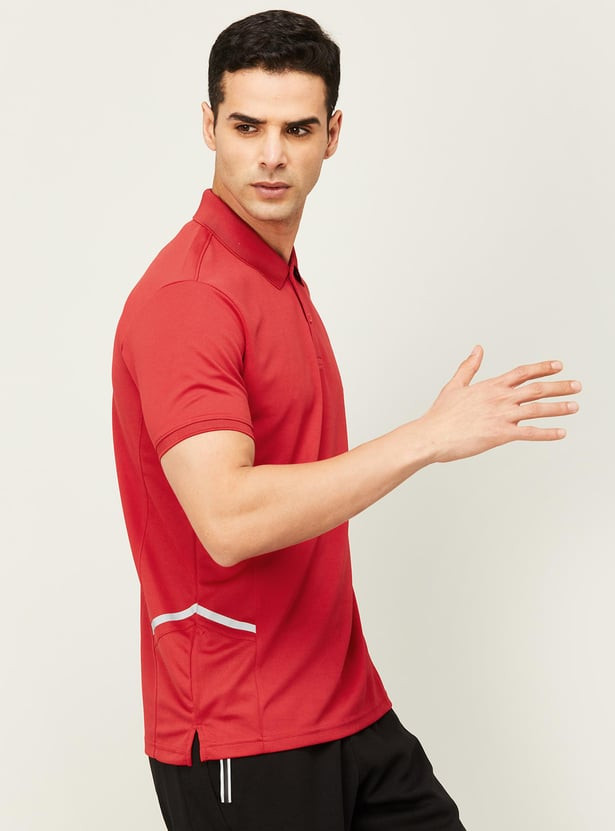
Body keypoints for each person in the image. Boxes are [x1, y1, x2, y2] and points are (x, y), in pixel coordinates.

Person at [111, 10, 581, 830]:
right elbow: (227, 517)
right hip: (243, 728)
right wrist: (428, 437)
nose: (270, 155)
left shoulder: (273, 276)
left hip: (346, 707)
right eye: (246, 126)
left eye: (296, 129)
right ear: (208, 126)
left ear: (331, 135)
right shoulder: (192, 298)